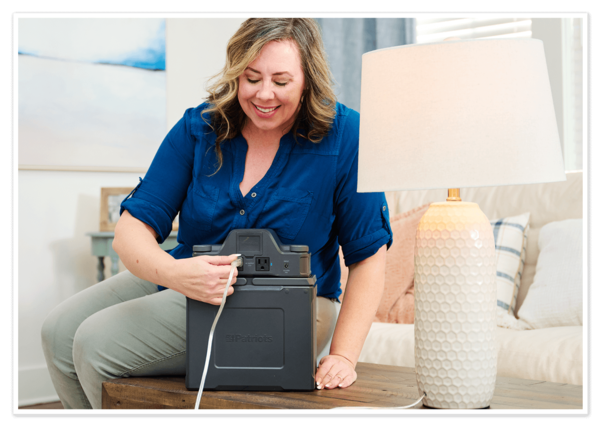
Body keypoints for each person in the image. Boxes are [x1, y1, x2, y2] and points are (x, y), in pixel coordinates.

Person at [41, 18, 392, 409]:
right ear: (235, 72)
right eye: (251, 77)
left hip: (296, 304)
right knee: (58, 332)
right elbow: (130, 231)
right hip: (189, 277)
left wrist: (343, 355)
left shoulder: (347, 136)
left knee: (96, 342)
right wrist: (176, 274)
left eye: (281, 81)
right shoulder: (200, 127)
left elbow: (368, 258)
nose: (264, 94)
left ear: (308, 79)